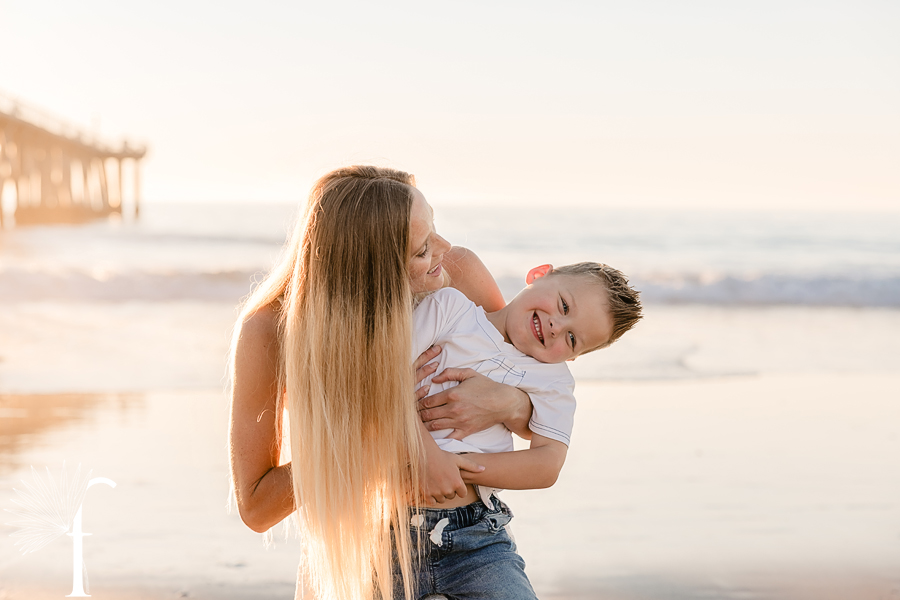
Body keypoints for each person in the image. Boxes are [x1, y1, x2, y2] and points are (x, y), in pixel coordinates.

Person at [228, 165, 534, 600]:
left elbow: (534, 389)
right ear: (372, 272)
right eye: (423, 247)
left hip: (472, 537)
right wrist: (382, 421)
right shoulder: (270, 331)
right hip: (358, 552)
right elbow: (257, 507)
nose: (446, 251)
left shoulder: (457, 272)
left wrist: (508, 404)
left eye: (436, 230)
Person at [396, 261, 643, 599]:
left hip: (477, 537)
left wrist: (458, 467)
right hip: (387, 528)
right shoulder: (450, 309)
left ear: (574, 357)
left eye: (572, 339)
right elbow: (383, 379)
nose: (557, 326)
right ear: (539, 274)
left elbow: (546, 465)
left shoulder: (552, 381)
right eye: (564, 305)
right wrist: (427, 454)